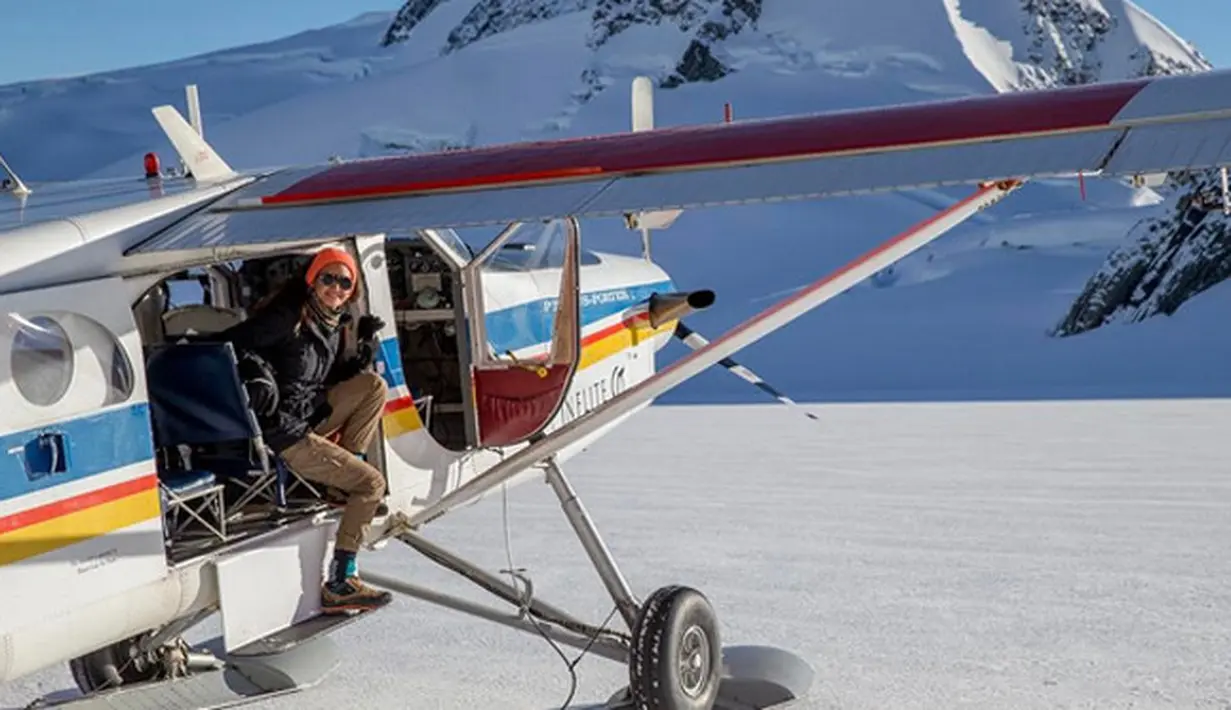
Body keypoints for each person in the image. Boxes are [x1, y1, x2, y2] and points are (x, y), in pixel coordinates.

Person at [220, 246, 393, 613]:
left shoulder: (331, 322)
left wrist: (359, 354)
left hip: (307, 413)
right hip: (283, 429)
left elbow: (316, 376)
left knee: (373, 386)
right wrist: (255, 374)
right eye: (328, 278)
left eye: (344, 282)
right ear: (312, 280)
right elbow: (228, 345)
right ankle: (341, 581)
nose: (336, 288)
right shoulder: (287, 317)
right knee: (371, 485)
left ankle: (340, 485)